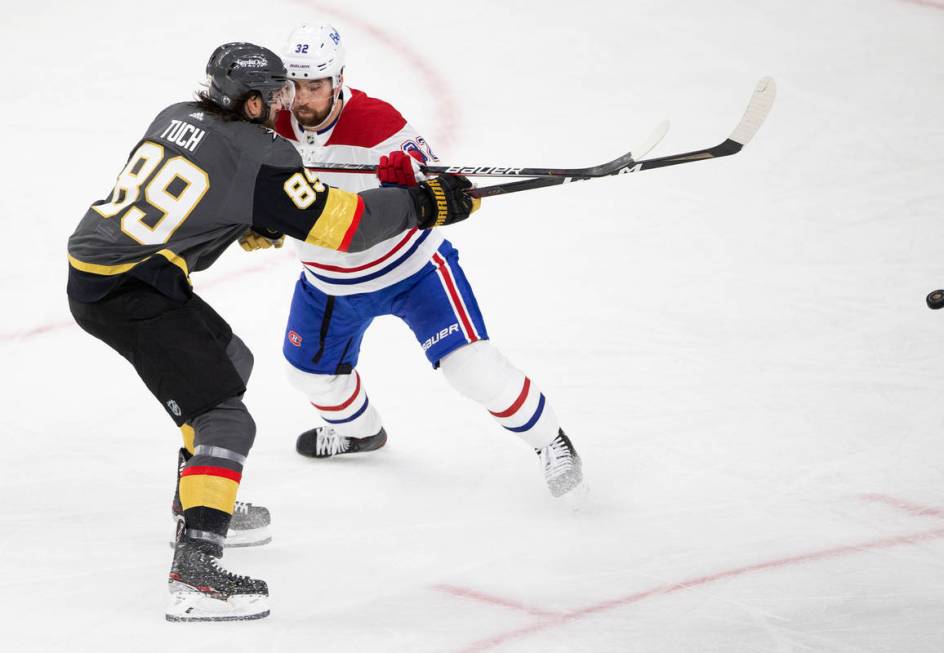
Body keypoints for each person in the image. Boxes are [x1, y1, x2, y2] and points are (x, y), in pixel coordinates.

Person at [66, 42, 476, 622]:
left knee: (232, 363)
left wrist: (246, 219)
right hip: (132, 290)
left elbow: (196, 194)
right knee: (226, 417)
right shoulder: (263, 151)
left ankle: (198, 503)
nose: (285, 102)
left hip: (107, 270)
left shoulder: (175, 115)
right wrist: (422, 203)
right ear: (252, 101)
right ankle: (197, 569)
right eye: (276, 93)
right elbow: (349, 227)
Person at [273, 24, 586, 501]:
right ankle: (363, 433)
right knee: (308, 374)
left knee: (471, 368)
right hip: (328, 282)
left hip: (411, 271)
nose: (302, 98)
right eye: (293, 85)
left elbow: (453, 189)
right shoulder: (269, 124)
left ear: (338, 81)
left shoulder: (378, 123)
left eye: (314, 86)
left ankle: (551, 442)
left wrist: (418, 187)